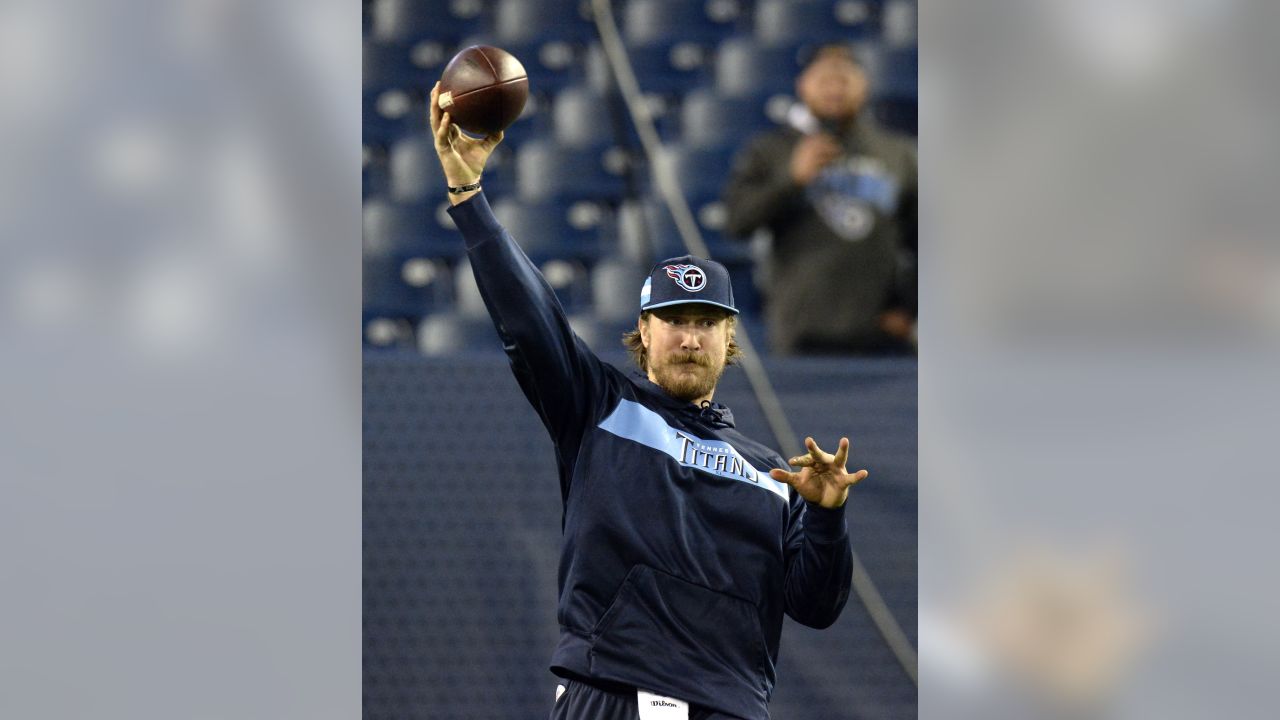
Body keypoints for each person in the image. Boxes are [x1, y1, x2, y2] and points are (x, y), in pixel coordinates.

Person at [429, 81, 869, 720]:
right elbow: (529, 323)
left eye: (705, 321)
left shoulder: (775, 475)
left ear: (729, 338)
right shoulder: (598, 408)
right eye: (674, 320)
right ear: (644, 333)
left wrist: (827, 516)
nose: (689, 336)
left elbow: (816, 605)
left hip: (727, 705)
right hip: (610, 691)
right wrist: (470, 199)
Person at [723, 44, 918, 355]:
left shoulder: (897, 153)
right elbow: (738, 222)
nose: (834, 89)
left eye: (844, 79)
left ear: (864, 85)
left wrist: (910, 308)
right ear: (803, 85)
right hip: (802, 327)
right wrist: (791, 180)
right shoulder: (772, 150)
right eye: (824, 79)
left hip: (880, 327)